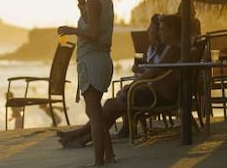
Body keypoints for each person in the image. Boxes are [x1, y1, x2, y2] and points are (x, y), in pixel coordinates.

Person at [59, 14, 182, 150]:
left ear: (172, 31)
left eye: (163, 29)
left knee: (110, 106)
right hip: (154, 93)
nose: (160, 33)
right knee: (110, 107)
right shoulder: (172, 49)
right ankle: (82, 138)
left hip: (157, 96)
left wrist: (133, 85)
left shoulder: (173, 49)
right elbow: (154, 71)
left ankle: (80, 135)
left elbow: (153, 72)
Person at [58, 0, 117, 166]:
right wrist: (82, 4)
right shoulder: (104, 1)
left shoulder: (95, 2)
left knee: (94, 112)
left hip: (92, 61)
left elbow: (92, 32)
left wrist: (71, 30)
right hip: (102, 60)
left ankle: (98, 161)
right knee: (95, 112)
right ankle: (109, 155)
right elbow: (94, 23)